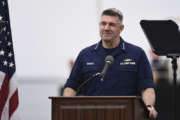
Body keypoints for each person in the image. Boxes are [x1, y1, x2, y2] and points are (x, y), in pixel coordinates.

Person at [63, 8, 158, 119]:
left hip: (127, 115)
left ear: (121, 28)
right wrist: (65, 107)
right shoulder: (85, 54)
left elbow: (147, 87)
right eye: (103, 24)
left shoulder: (137, 54)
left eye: (112, 24)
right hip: (91, 115)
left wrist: (149, 106)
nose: (106, 28)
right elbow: (71, 86)